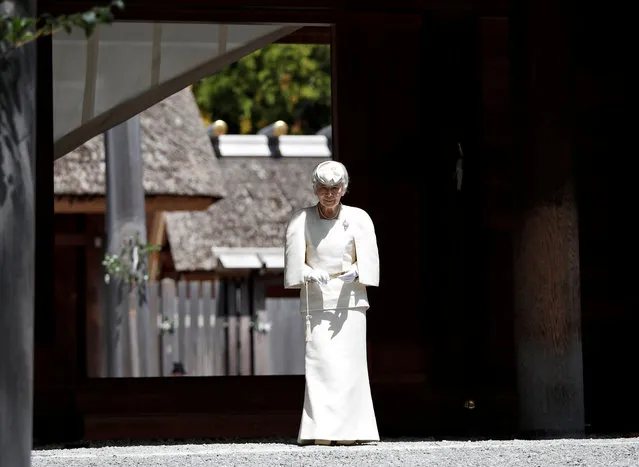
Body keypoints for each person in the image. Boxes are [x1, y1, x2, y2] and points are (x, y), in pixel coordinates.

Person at [284, 160, 380, 446]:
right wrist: (309, 271)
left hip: (349, 298)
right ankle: (320, 431)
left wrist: (358, 271)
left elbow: (370, 260)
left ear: (344, 189)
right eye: (324, 188)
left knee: (351, 367)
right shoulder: (300, 220)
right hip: (317, 300)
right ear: (315, 189)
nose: (329, 194)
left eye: (335, 188)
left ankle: (354, 430)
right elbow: (293, 265)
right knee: (321, 366)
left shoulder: (360, 218)